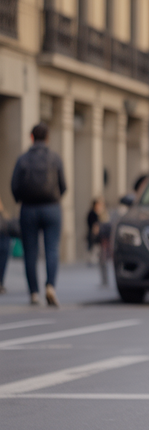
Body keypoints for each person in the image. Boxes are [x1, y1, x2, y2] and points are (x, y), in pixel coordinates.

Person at [11, 123, 66, 306]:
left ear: (31, 137)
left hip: (29, 209)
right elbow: (63, 185)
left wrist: (23, 199)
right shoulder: (55, 158)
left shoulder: (23, 159)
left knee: (30, 252)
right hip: (51, 208)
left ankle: (34, 293)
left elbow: (15, 186)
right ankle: (50, 286)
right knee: (51, 249)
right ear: (47, 138)